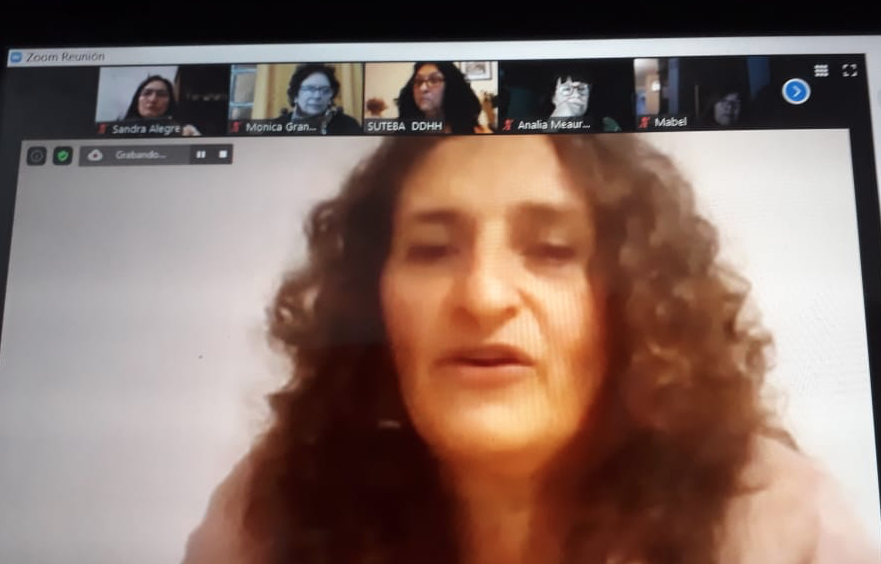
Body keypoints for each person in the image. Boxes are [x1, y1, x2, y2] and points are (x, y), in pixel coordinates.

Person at [182, 135, 878, 564]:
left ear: (634, 303)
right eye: (432, 249)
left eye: (550, 250)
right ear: (371, 303)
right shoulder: (274, 510)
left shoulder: (774, 522)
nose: (483, 296)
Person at [397, 62, 492, 134]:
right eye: (418, 81)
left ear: (451, 87)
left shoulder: (479, 134)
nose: (423, 88)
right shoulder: (401, 134)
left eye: (434, 80)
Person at [277, 64, 362, 135]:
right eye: (310, 89)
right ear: (295, 95)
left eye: (325, 90)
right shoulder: (276, 126)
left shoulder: (348, 125)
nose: (317, 96)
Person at [123, 75, 201, 136]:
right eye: (147, 93)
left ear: (170, 102)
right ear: (137, 99)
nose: (153, 99)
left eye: (161, 94)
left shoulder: (185, 131)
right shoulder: (119, 130)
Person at [548, 73, 621, 132]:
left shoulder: (607, 125)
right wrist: (554, 122)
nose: (576, 94)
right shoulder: (541, 123)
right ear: (553, 98)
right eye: (567, 89)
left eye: (581, 89)